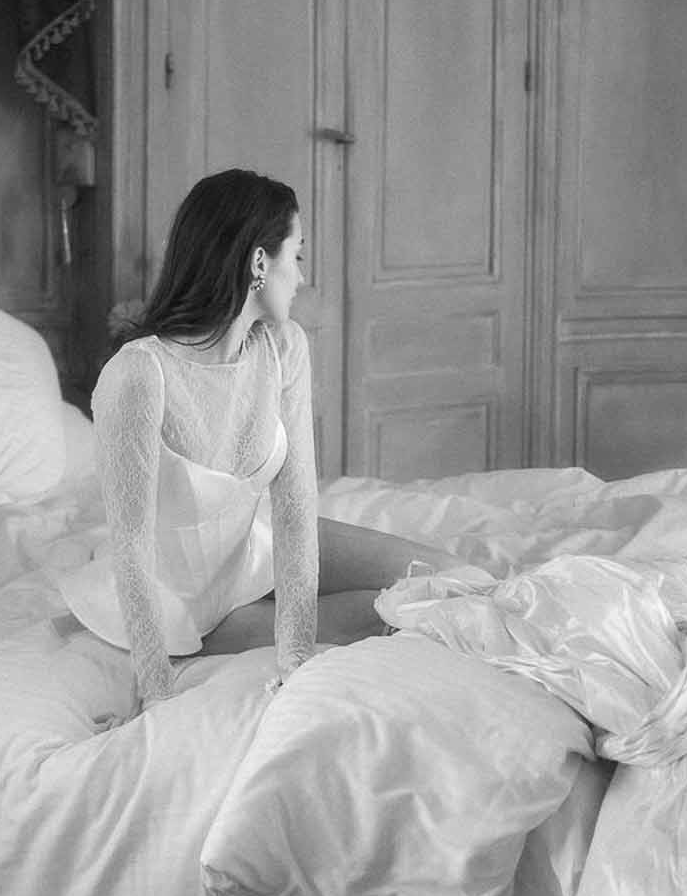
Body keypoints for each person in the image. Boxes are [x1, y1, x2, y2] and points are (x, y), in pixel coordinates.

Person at [60, 168, 453, 708]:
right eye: (298, 256)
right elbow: (131, 547)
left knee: (445, 578)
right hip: (190, 607)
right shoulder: (139, 375)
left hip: (252, 555)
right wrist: (153, 690)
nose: (302, 278)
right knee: (398, 611)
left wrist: (296, 653)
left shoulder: (282, 348)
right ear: (259, 263)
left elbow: (295, 507)